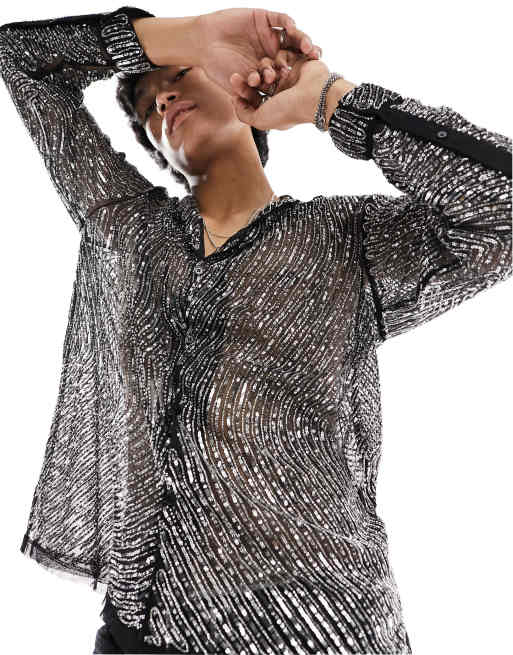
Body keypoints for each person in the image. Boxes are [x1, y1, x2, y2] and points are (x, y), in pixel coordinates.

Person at [0, 5, 511, 655]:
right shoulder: (127, 232)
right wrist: (186, 38)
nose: (164, 101)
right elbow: (20, 59)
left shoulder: (342, 240)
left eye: (180, 77)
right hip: (141, 628)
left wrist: (329, 101)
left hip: (317, 628)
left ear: (243, 93)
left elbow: (502, 206)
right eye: (149, 106)